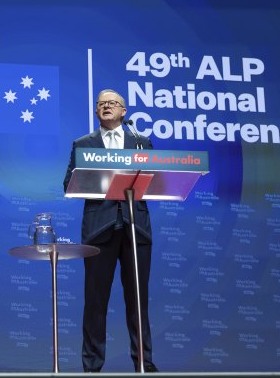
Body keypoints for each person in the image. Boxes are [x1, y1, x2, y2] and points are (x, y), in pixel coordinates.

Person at [63, 89, 158, 373]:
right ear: (96, 112)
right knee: (95, 302)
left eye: (112, 103)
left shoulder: (142, 143)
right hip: (99, 228)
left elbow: (155, 181)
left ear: (124, 111)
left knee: (138, 302)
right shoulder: (83, 144)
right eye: (101, 104)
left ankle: (144, 364)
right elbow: (68, 183)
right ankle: (92, 366)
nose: (106, 106)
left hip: (135, 227)